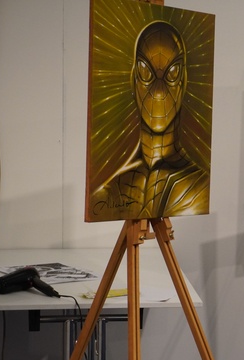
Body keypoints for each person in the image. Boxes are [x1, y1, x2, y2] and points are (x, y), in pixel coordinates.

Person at [90, 21, 209, 221]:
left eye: (173, 73)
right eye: (145, 71)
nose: (159, 92)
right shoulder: (108, 193)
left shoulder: (201, 187)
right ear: (133, 79)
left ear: (184, 80)